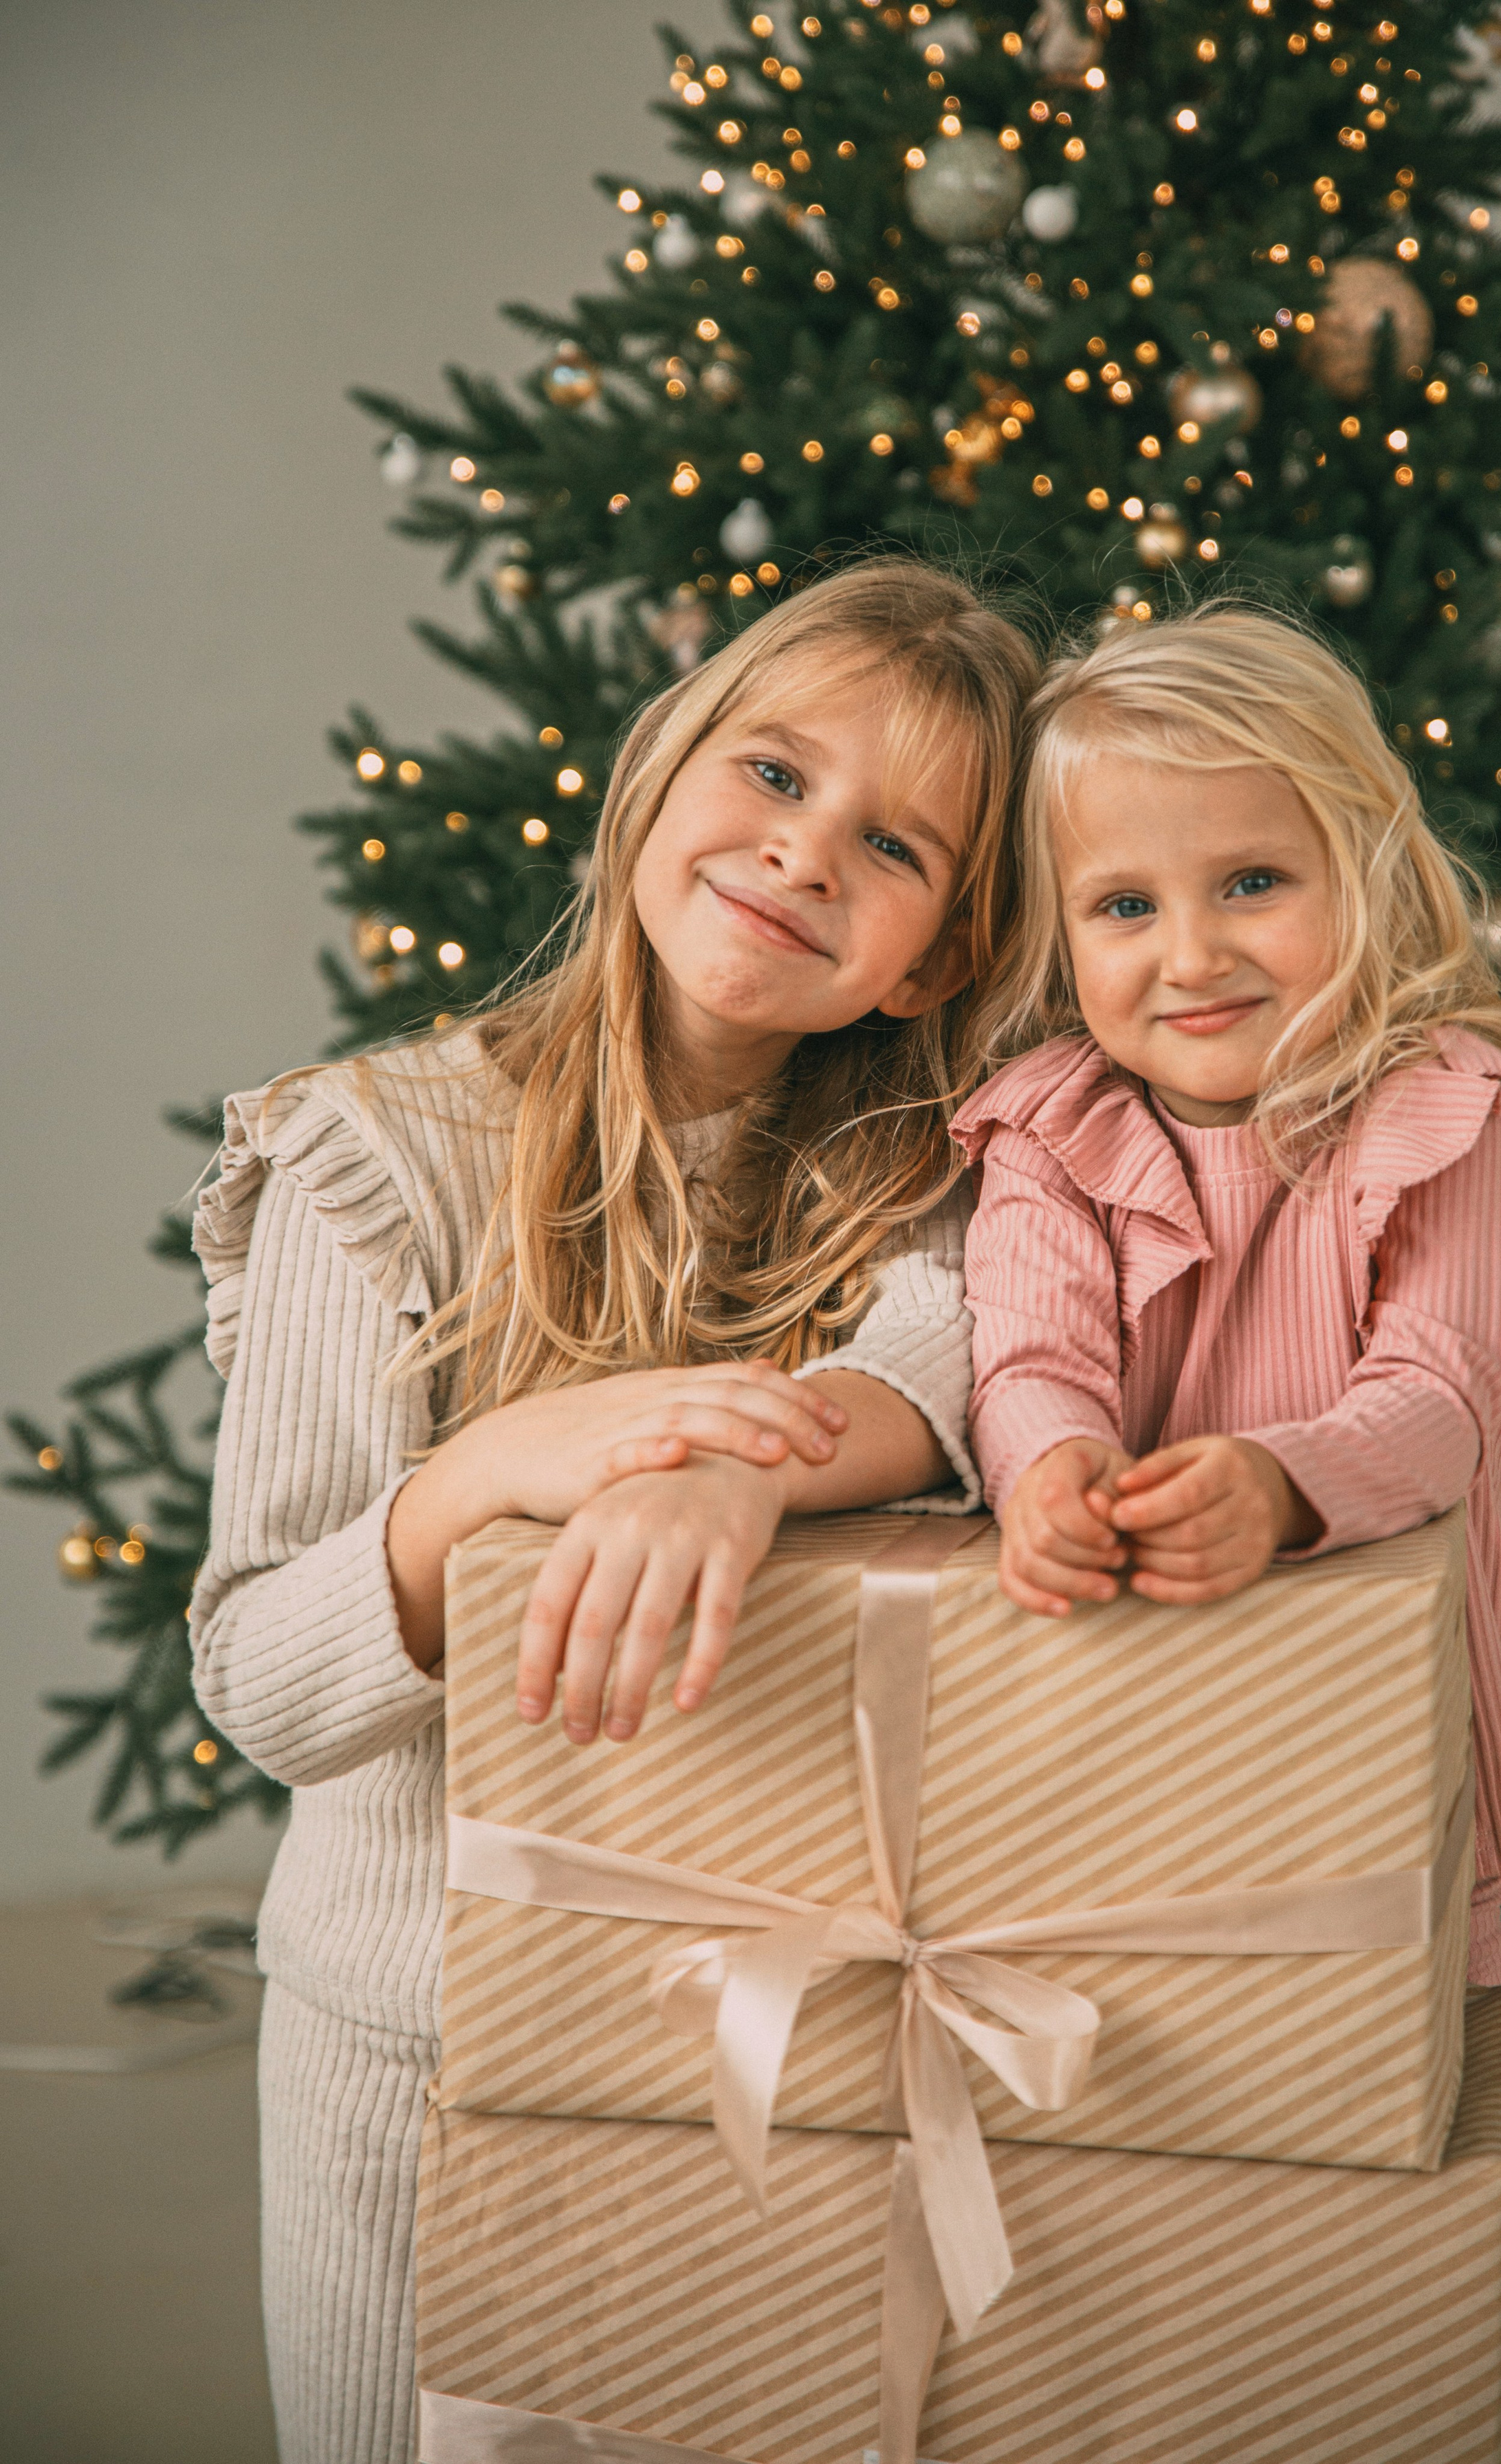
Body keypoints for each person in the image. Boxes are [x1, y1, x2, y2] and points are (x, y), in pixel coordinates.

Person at [188, 560, 1038, 2464]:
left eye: (892, 845)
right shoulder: (374, 1158)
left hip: (770, 2044)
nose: (807, 852)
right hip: (411, 2046)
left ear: (929, 960)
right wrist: (490, 1474)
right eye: (772, 771)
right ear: (659, 772)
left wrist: (738, 1455)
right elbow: (264, 1679)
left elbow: (946, 1358)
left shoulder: (932, 1184)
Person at [951, 605, 1501, 1990]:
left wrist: (1278, 1483)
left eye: (1249, 882)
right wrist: (1049, 1469)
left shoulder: (1441, 1109)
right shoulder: (1046, 1130)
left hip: (1378, 1734)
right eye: (1124, 905)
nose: (1189, 956)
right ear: (1060, 938)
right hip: (1115, 1720)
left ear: (1357, 871)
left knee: (1390, 2070)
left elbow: (1437, 1397)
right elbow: (1028, 1354)